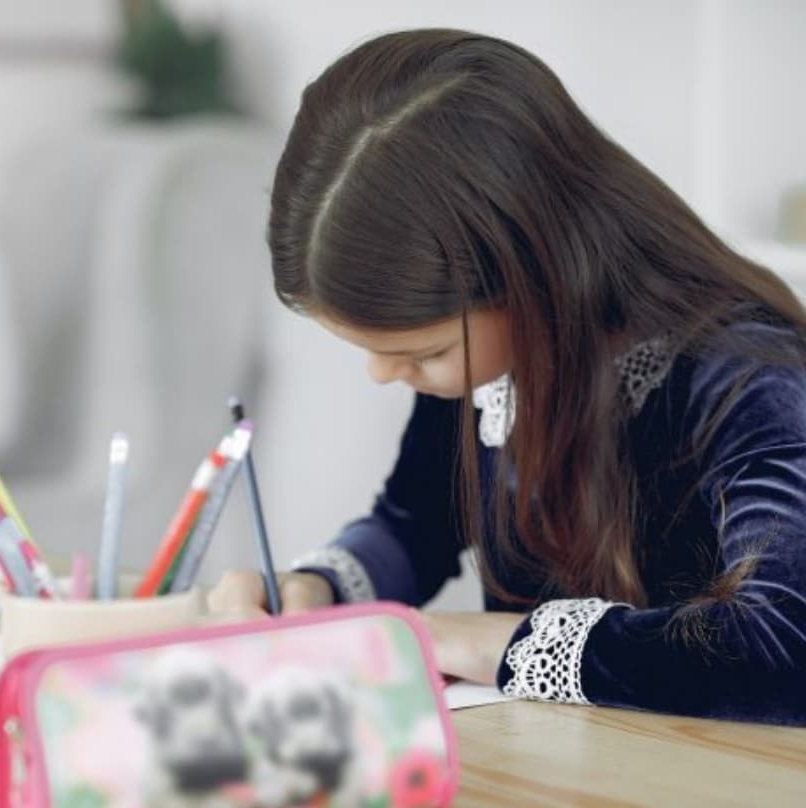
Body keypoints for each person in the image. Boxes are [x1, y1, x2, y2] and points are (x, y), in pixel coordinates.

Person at [207, 29, 806, 725]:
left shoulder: (748, 378)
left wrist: (493, 641)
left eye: (422, 353)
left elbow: (783, 650)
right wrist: (317, 589)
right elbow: (414, 524)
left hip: (718, 802)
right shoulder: (494, 364)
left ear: (534, 274)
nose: (382, 375)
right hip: (556, 780)